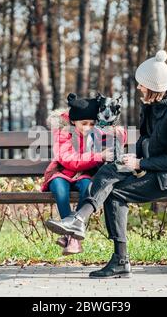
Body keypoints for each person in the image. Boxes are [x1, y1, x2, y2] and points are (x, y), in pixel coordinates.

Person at [45, 50, 167, 278]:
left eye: (141, 84)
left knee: (115, 193)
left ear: (153, 87)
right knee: (109, 168)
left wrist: (140, 163)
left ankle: (117, 258)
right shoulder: (151, 106)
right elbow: (146, 139)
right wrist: (131, 160)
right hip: (150, 165)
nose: (138, 88)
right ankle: (79, 221)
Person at [42, 93, 113, 255]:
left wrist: (113, 128)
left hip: (82, 174)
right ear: (73, 121)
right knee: (59, 187)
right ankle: (72, 236)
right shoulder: (63, 132)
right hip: (61, 173)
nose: (88, 127)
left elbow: (115, 137)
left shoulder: (95, 132)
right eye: (84, 123)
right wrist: (97, 156)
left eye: (91, 123)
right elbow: (67, 159)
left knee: (88, 187)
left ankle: (70, 235)